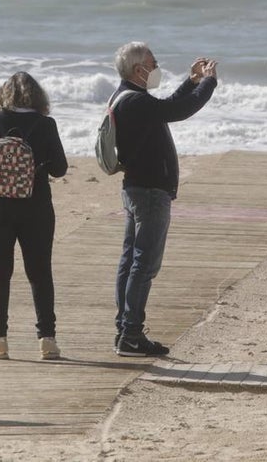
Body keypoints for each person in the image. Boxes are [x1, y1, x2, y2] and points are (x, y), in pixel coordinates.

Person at [110, 42, 218, 357]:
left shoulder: (128, 98)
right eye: (153, 63)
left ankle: (125, 329)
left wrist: (191, 81)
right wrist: (209, 83)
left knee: (131, 262)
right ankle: (130, 334)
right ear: (138, 69)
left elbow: (166, 107)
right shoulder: (136, 102)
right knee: (143, 265)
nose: (156, 67)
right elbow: (178, 111)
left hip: (136, 190)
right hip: (148, 193)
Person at [0, 72, 68, 361]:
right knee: (39, 272)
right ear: (38, 97)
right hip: (35, 206)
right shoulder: (45, 124)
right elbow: (60, 169)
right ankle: (47, 340)